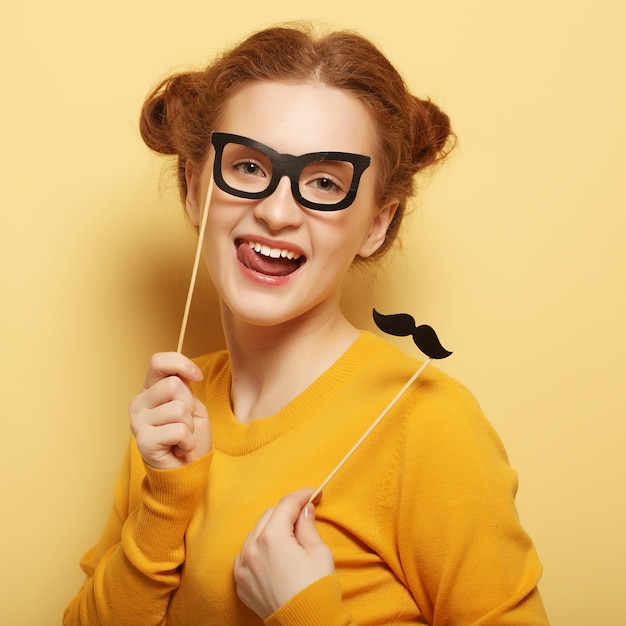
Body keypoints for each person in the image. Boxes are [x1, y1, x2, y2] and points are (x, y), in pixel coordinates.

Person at [63, 23, 549, 625]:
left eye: (324, 182)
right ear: (194, 188)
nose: (275, 211)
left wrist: (304, 612)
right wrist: (164, 502)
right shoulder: (171, 413)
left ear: (377, 223)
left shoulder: (425, 422)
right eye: (245, 167)